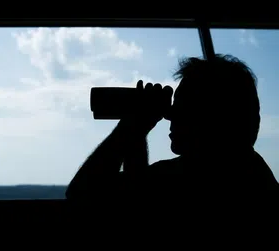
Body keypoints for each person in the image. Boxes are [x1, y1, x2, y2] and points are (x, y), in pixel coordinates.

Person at [66, 54, 278, 201]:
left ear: (211, 117)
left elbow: (82, 192)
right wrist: (137, 129)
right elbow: (138, 190)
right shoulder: (247, 170)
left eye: (183, 107)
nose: (171, 116)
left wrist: (132, 125)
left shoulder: (191, 176)